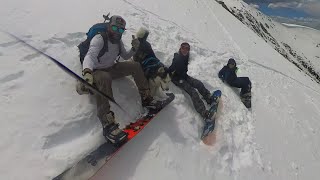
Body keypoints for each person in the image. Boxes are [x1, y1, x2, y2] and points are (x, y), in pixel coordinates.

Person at [80, 15, 158, 144]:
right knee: (104, 78)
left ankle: (146, 97)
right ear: (109, 26)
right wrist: (87, 72)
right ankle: (107, 124)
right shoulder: (99, 38)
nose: (117, 31)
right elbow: (90, 55)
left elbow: (125, 56)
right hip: (96, 71)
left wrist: (134, 48)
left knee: (135, 66)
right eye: (115, 27)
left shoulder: (118, 41)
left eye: (121, 30)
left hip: (111, 67)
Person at [167, 42, 215, 119]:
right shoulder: (177, 58)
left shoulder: (186, 56)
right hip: (177, 79)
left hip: (184, 76)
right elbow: (170, 69)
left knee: (198, 83)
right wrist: (166, 74)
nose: (185, 50)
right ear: (180, 48)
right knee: (193, 92)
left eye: (187, 48)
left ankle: (208, 98)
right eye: (183, 48)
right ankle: (204, 113)